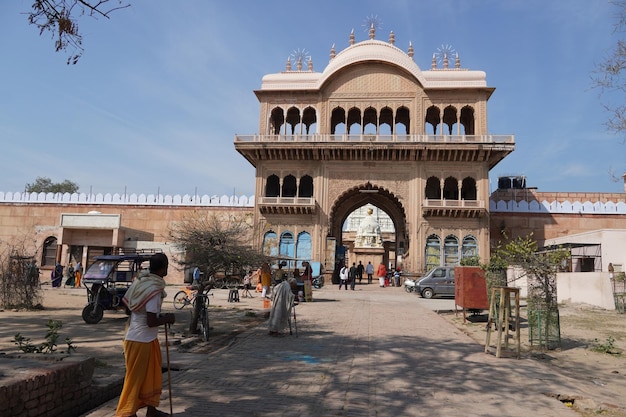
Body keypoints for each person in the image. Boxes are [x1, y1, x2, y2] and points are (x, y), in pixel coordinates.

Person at [115, 253, 175, 417]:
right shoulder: (154, 289)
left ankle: (151, 410)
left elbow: (128, 307)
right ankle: (126, 413)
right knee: (134, 381)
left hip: (143, 338)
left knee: (151, 377)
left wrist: (156, 317)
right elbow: (151, 321)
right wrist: (167, 318)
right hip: (140, 340)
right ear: (164, 268)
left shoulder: (140, 281)